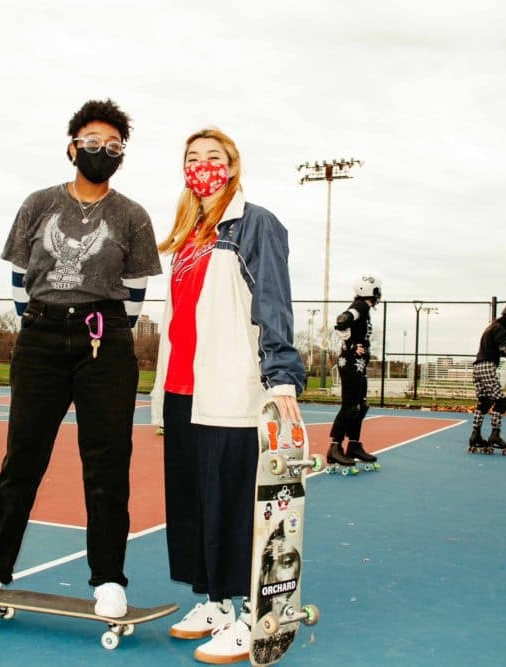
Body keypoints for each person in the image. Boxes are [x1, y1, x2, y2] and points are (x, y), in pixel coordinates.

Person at [0, 99, 162, 619]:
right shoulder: (39, 203)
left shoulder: (132, 215)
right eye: (91, 142)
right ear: (71, 146)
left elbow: (135, 287)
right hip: (39, 337)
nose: (100, 151)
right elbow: (20, 275)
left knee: (107, 461)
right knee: (23, 457)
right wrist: (40, 322)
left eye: (112, 145)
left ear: (122, 154)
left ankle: (108, 578)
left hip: (104, 339)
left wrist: (102, 332)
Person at [151, 127, 306, 664]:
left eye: (213, 157)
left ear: (233, 165)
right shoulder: (186, 238)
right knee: (193, 505)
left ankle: (249, 614)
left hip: (229, 389)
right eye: (192, 158)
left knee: (232, 505)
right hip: (182, 390)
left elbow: (273, 300)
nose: (202, 166)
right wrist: (158, 393)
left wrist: (281, 375)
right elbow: (176, 323)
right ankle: (215, 603)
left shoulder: (255, 224)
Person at [328, 275, 383, 466]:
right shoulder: (360, 307)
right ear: (373, 292)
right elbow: (342, 320)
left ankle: (353, 445)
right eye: (378, 291)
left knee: (361, 405)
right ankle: (334, 447)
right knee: (350, 405)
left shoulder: (365, 309)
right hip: (350, 362)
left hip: (358, 364)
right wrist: (351, 345)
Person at [469, 304, 506, 452]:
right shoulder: (500, 328)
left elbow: (497, 349)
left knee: (484, 402)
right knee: (501, 403)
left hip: (477, 367)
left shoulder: (491, 327)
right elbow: (503, 349)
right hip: (487, 366)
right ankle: (495, 435)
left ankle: (475, 436)